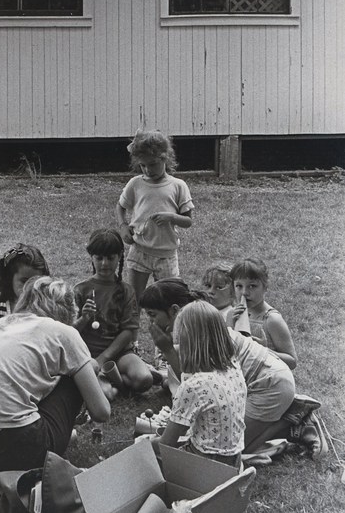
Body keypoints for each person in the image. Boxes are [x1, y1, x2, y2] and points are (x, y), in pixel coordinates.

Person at [0, 277, 111, 501]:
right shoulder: (64, 332)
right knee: (80, 371)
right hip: (20, 450)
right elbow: (101, 412)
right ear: (66, 309)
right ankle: (24, 474)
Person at [140, 278, 295, 453]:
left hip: (271, 385)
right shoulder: (199, 324)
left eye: (152, 315)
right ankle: (275, 418)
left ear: (174, 310)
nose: (150, 322)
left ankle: (290, 421)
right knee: (217, 438)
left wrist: (167, 349)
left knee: (235, 447)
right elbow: (191, 377)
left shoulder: (201, 335)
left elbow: (193, 383)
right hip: (262, 381)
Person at [159, 301, 246, 467]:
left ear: (187, 344)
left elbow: (165, 444)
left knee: (146, 452)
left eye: (180, 342)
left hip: (205, 465)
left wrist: (146, 444)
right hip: (234, 462)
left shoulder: (194, 386)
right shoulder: (234, 366)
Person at [116, 131, 194, 304]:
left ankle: (165, 330)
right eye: (143, 165)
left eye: (152, 164)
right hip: (139, 251)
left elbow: (188, 221)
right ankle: (131, 330)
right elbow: (120, 206)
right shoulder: (136, 183)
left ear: (165, 158)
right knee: (134, 300)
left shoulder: (178, 186)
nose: (148, 170)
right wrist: (123, 226)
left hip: (166, 254)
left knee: (168, 301)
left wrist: (171, 217)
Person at [74, 228, 153, 393]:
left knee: (144, 379)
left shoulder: (126, 291)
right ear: (92, 258)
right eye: (99, 258)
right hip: (89, 354)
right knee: (104, 393)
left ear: (119, 257)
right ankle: (114, 381)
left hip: (119, 353)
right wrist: (83, 319)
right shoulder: (80, 290)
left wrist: (104, 358)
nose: (104, 264)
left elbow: (128, 331)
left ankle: (111, 377)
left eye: (110, 258)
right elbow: (69, 332)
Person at [230, 259, 297, 369]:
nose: (244, 292)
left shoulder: (271, 319)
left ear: (265, 287)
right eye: (239, 286)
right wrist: (229, 326)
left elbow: (292, 362)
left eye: (252, 286)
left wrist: (262, 350)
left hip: (267, 380)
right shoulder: (233, 314)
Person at [0, 244, 49, 325]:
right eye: (24, 281)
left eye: (36, 281)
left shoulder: (46, 305)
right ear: (9, 278)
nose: (30, 287)